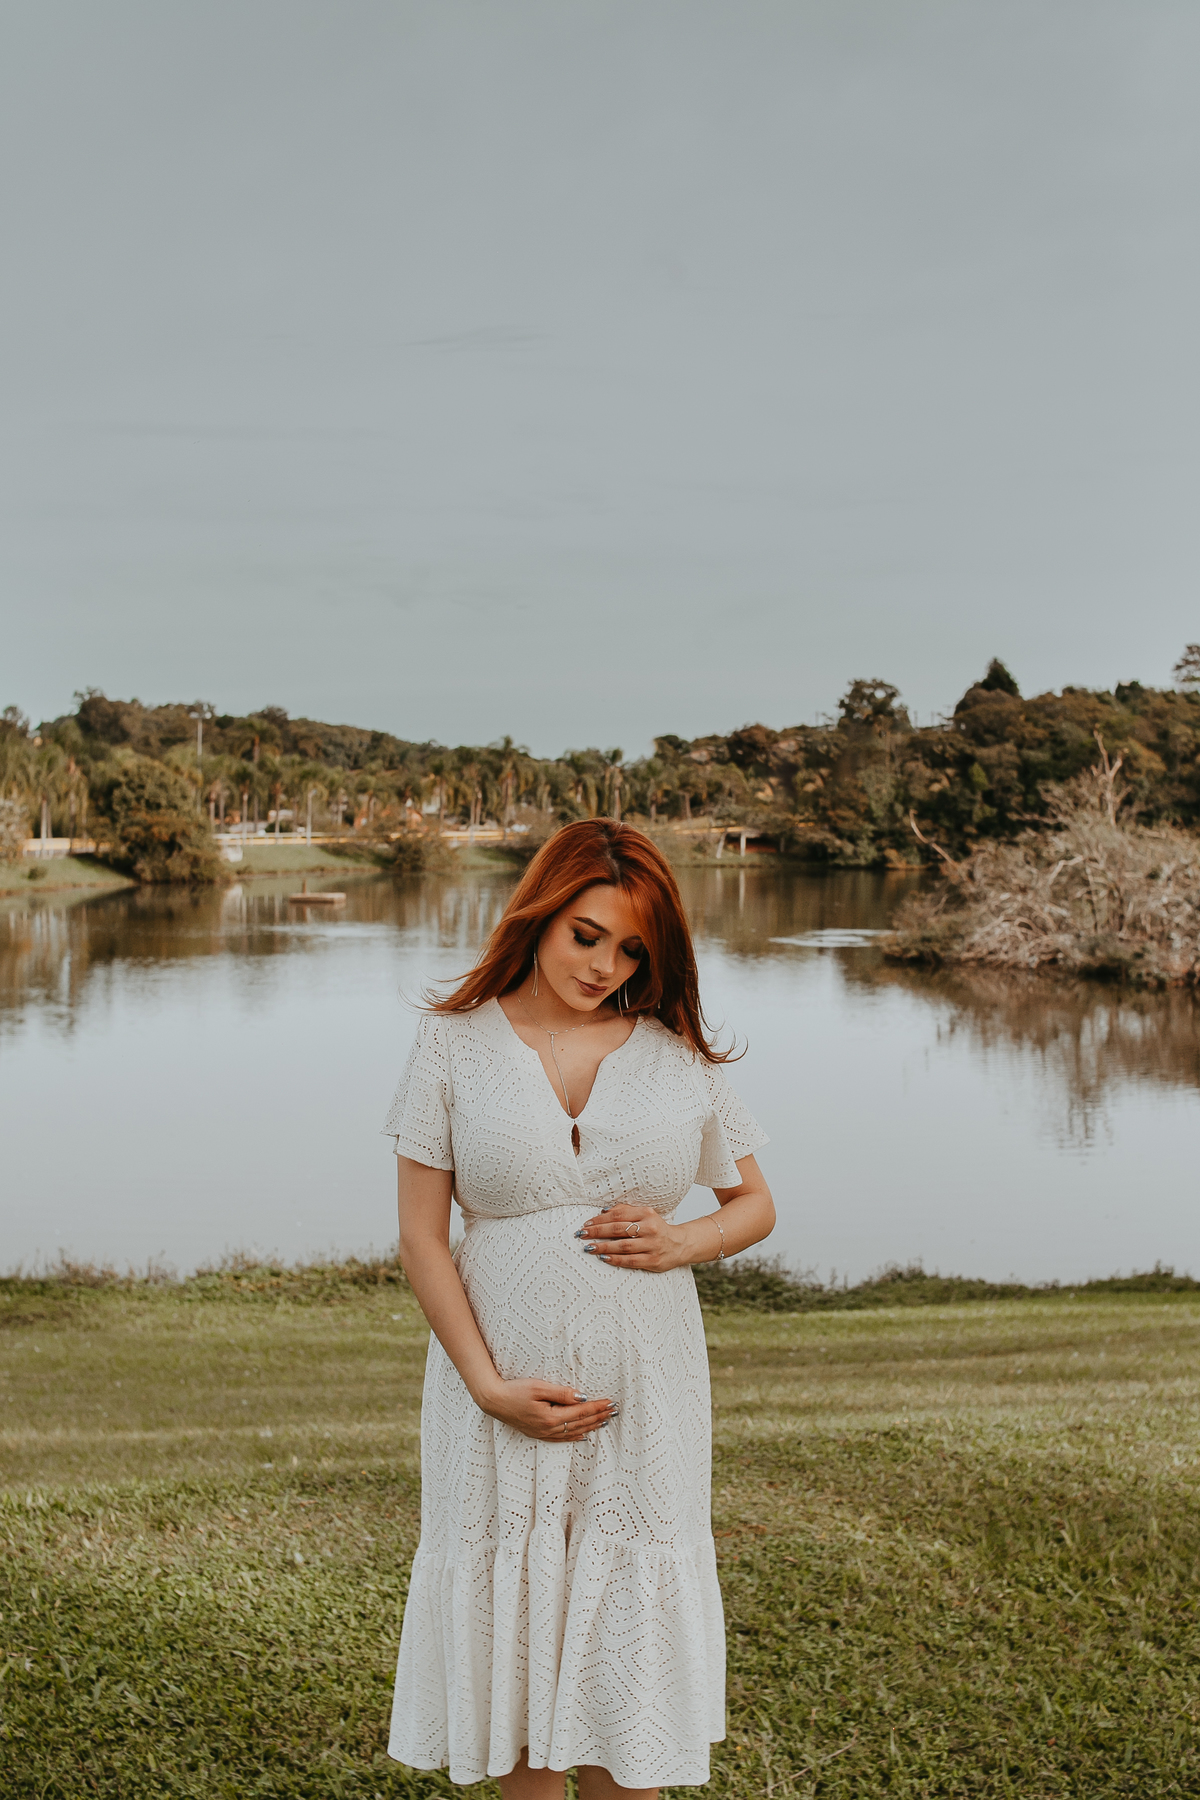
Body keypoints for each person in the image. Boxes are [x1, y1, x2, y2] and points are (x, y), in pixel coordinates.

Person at [383, 819, 775, 1798]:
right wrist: (488, 1386)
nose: (605, 965)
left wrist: (685, 1241)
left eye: (633, 949)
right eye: (587, 935)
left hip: (647, 1399)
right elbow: (424, 1238)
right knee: (517, 1657)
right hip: (497, 1399)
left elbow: (755, 1205)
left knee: (621, 1653)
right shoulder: (450, 1045)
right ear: (541, 915)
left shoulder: (678, 1055)